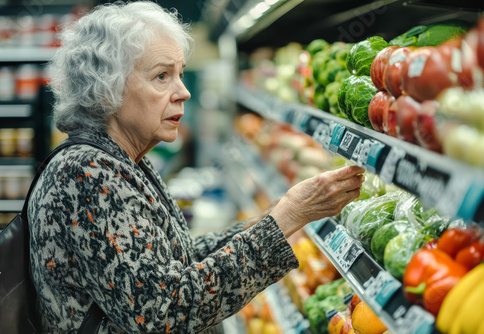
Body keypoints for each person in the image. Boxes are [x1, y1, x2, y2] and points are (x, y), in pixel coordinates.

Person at [28, 1, 364, 333]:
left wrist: (271, 219)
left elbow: (178, 262)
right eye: (162, 76)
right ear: (106, 90)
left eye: (180, 74)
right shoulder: (88, 175)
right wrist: (285, 220)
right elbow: (164, 312)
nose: (184, 92)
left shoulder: (120, 160)